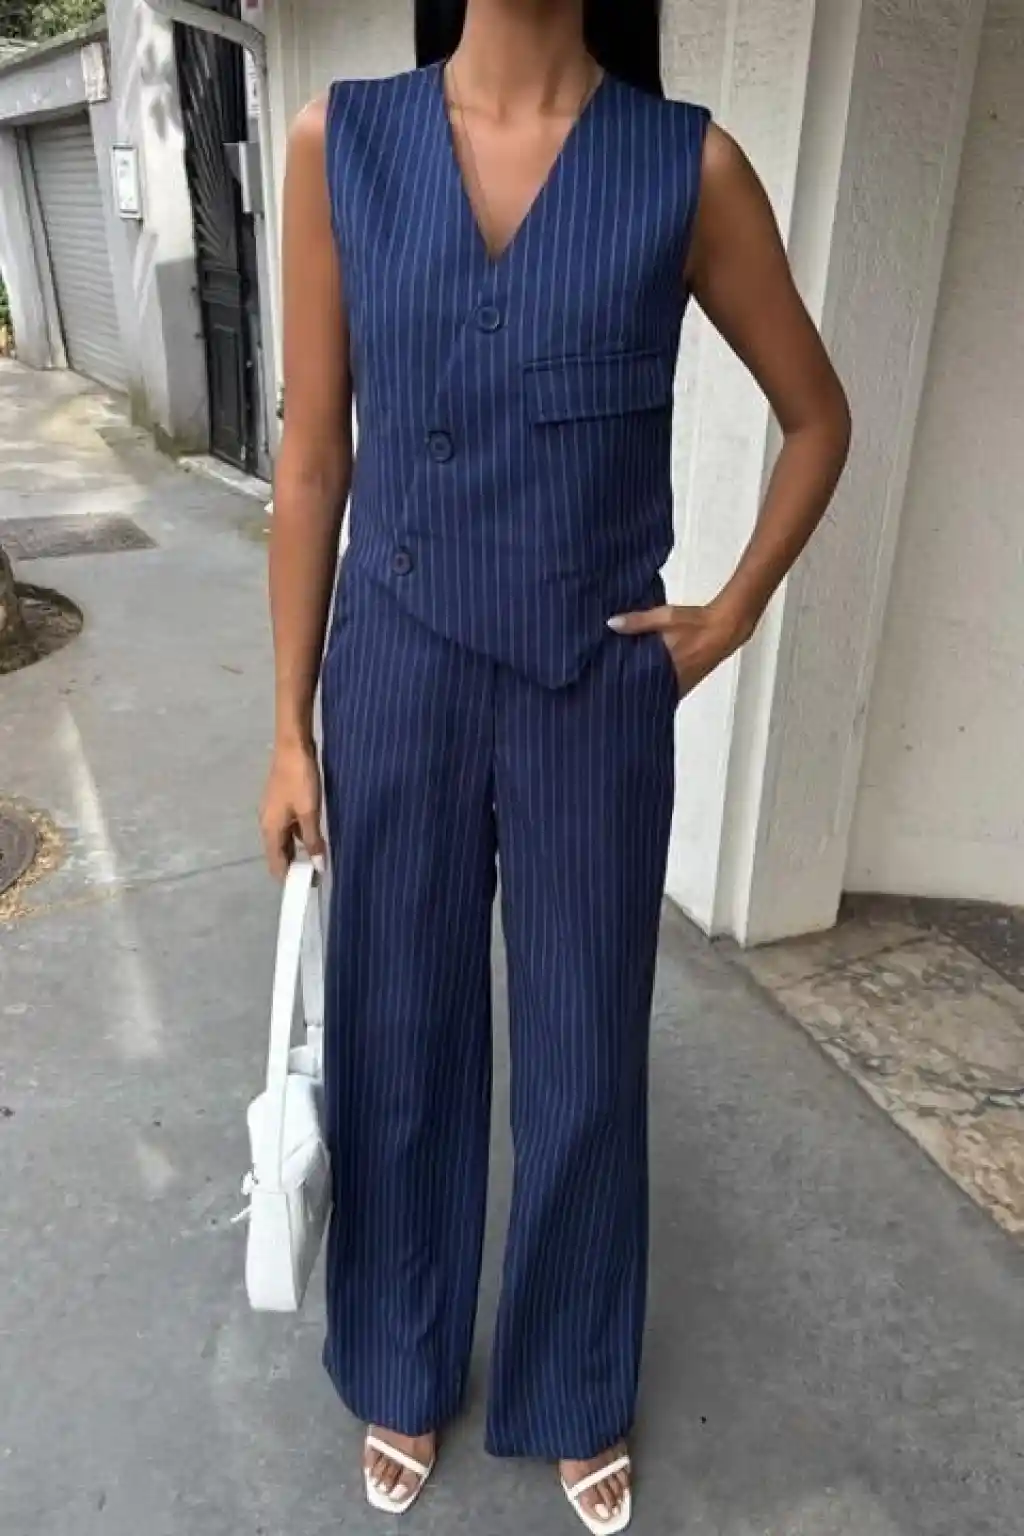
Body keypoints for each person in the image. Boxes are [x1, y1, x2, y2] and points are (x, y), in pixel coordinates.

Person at [260, 0, 851, 1528]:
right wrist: (288, 728)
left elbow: (817, 417)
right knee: (398, 1033)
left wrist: (726, 616)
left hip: (591, 692)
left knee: (586, 1053)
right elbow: (314, 455)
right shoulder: (343, 145)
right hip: (395, 672)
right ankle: (399, 1356)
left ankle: (577, 1380)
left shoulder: (684, 168)